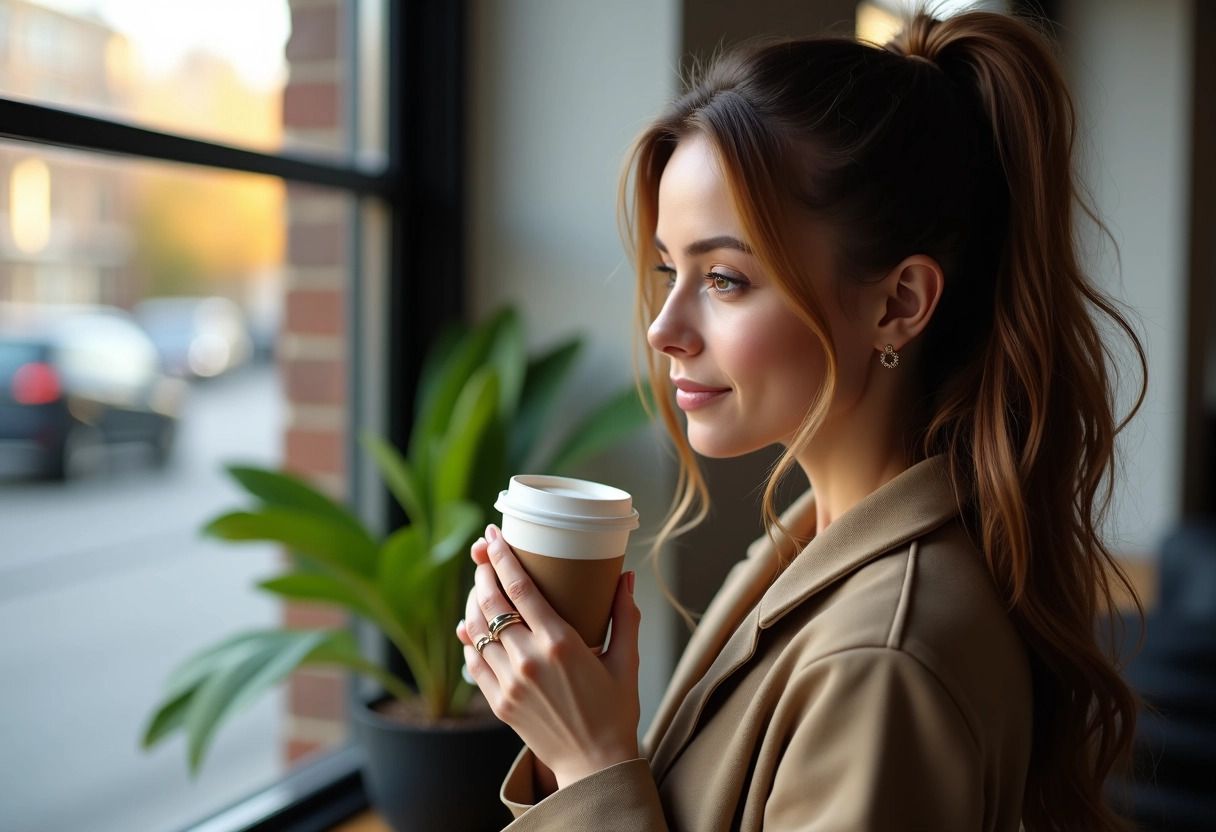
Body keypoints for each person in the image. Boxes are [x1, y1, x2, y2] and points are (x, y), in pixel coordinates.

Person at [454, 7, 1148, 831]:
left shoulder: (884, 660)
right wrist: (570, 745)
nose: (662, 329)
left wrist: (591, 763)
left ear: (899, 303)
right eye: (669, 269)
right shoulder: (819, 544)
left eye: (725, 279)